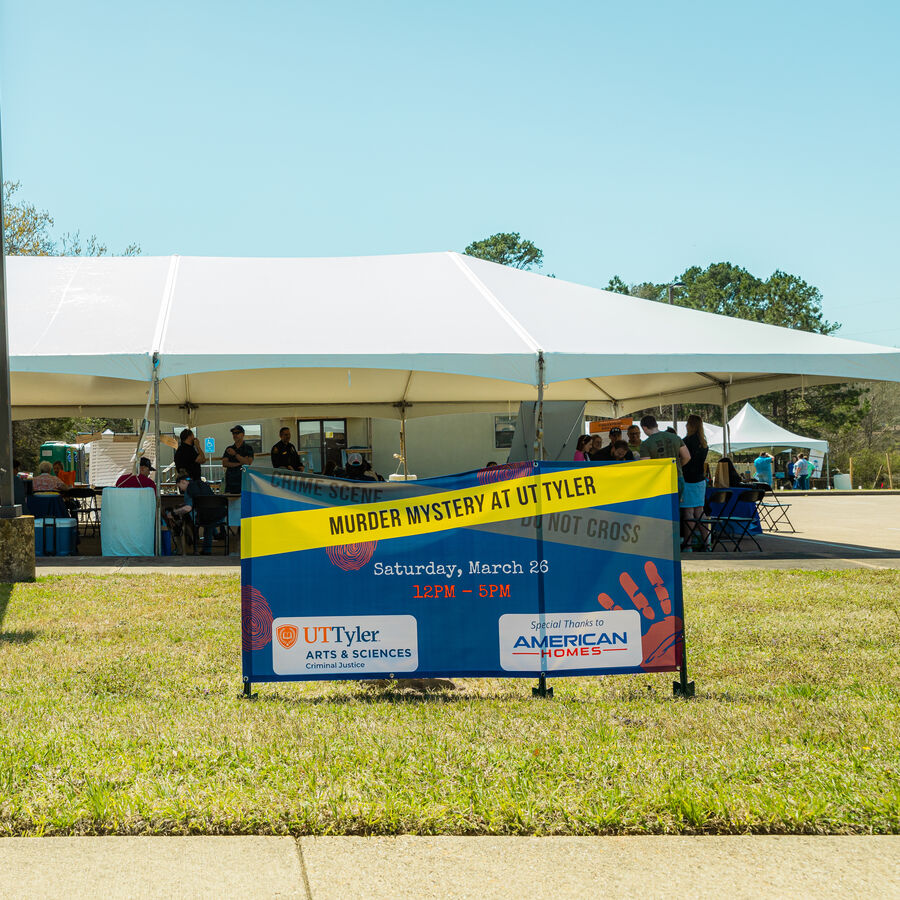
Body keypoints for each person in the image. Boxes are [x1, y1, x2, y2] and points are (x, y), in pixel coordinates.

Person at [168, 474, 226, 555]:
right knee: (209, 522)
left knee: (194, 519)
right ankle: (207, 550)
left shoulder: (188, 490)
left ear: (183, 482)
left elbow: (188, 508)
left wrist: (173, 513)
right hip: (220, 516)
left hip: (202, 519)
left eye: (179, 486)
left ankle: (194, 549)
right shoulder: (204, 485)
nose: (180, 489)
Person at [638, 414, 691, 497]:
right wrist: (676, 466)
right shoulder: (675, 437)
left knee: (662, 508)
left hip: (659, 481)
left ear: (644, 428)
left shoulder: (646, 444)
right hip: (677, 478)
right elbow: (687, 457)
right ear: (656, 425)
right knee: (675, 507)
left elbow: (646, 465)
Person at [681, 414, 710, 552]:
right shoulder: (703, 442)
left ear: (690, 425)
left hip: (688, 480)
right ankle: (707, 542)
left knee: (688, 512)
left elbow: (684, 458)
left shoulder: (686, 441)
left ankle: (688, 544)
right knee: (700, 512)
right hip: (700, 480)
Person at [222, 425, 254, 493]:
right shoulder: (229, 448)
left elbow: (248, 463)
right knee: (231, 501)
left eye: (237, 433)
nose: (235, 435)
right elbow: (224, 463)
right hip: (231, 481)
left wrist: (235, 454)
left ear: (243, 434)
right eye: (233, 433)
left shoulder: (248, 448)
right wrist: (240, 463)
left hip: (244, 480)